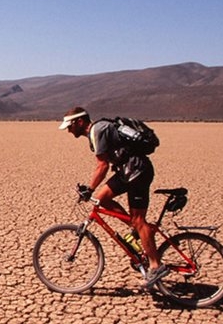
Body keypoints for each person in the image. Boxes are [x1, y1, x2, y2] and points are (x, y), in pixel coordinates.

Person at [58, 106, 169, 288]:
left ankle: (156, 265)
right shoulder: (97, 130)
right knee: (102, 199)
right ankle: (136, 229)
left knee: (139, 220)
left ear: (79, 122)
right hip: (128, 171)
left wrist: (90, 188)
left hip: (137, 171)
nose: (68, 131)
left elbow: (102, 166)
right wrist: (92, 191)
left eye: (70, 126)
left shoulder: (97, 130)